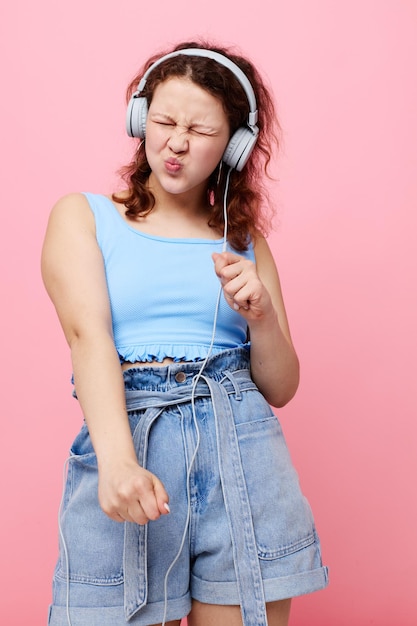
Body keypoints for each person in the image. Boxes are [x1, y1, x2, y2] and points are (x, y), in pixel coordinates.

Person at [42, 41, 328, 626]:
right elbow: (87, 339)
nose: (176, 142)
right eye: (165, 121)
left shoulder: (245, 243)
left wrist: (263, 317)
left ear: (234, 146)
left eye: (200, 130)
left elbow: (280, 387)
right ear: (141, 120)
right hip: (131, 439)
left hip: (243, 453)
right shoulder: (83, 216)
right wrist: (117, 463)